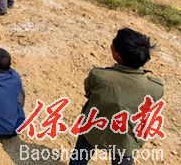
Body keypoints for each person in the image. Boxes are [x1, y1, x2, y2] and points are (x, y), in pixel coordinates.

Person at [69, 28, 164, 165]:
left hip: (93, 130)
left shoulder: (98, 76)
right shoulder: (155, 88)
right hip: (126, 139)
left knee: (80, 155)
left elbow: (88, 92)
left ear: (118, 56)